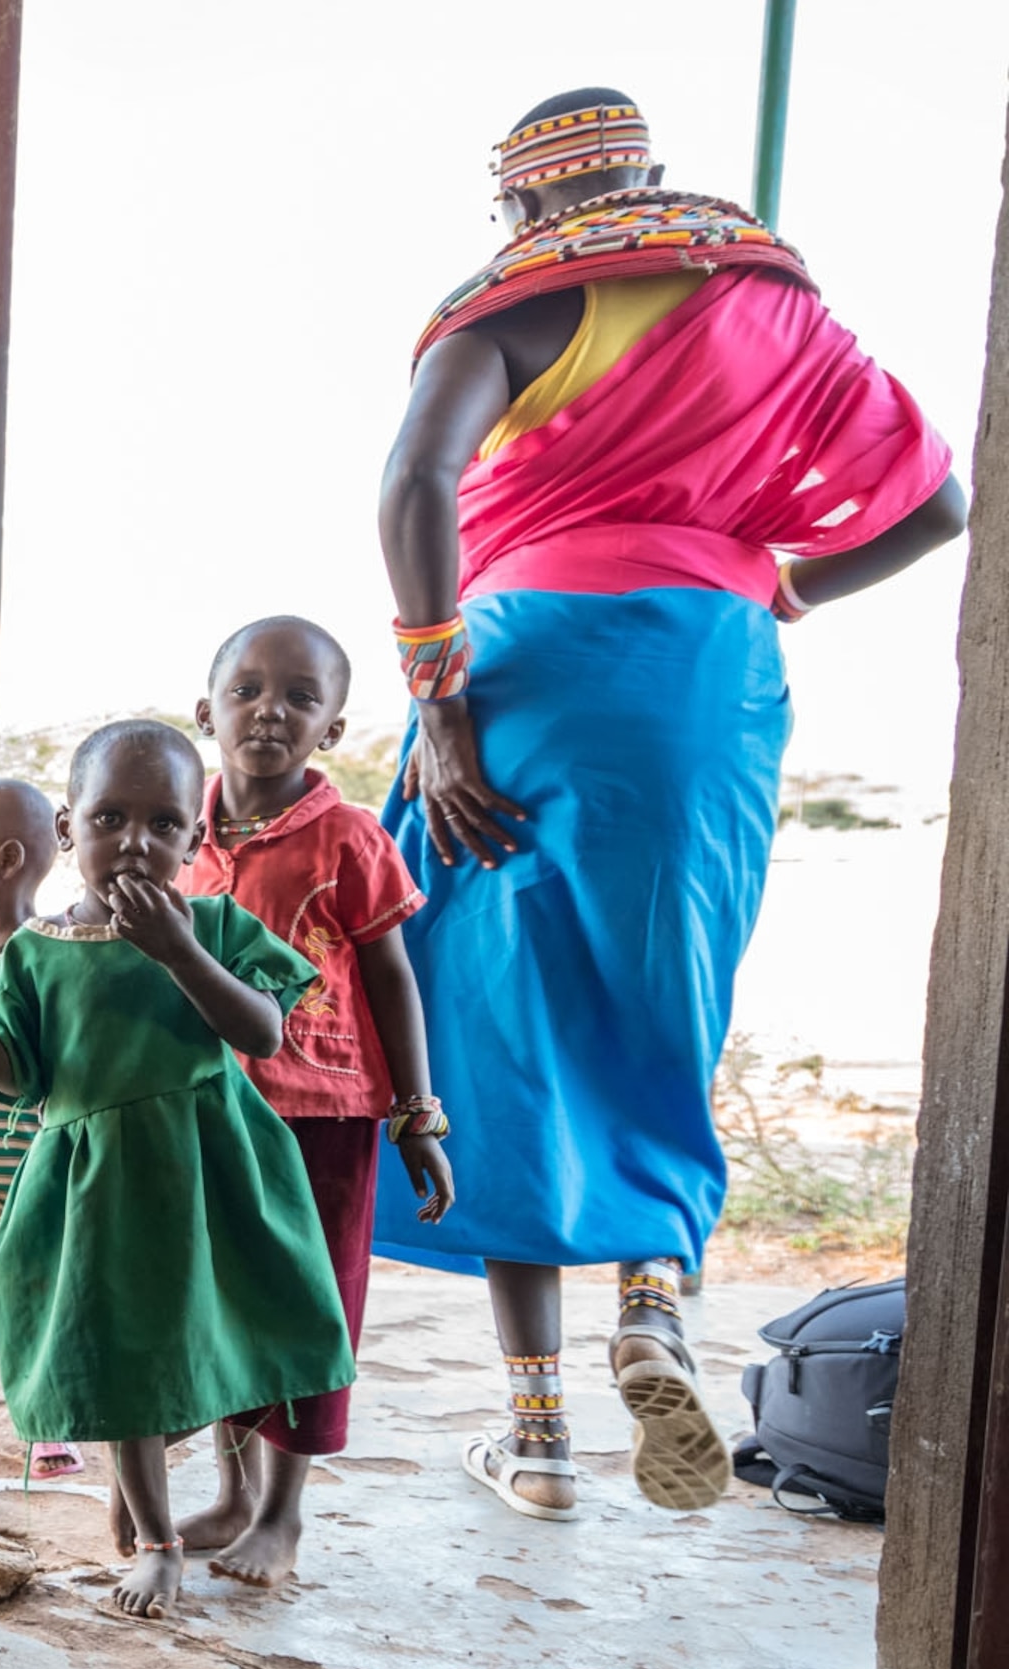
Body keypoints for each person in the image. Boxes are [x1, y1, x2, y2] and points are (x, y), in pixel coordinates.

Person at [375, 91, 963, 1521]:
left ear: (525, 210)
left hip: (526, 671)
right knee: (667, 992)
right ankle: (654, 1297)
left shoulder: (511, 309)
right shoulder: (779, 313)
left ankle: (539, 1441)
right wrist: (784, 586)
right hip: (709, 669)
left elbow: (414, 485)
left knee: (504, 1028)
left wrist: (443, 701)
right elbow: (942, 506)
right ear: (642, 178)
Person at [0, 721, 355, 1620]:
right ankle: (157, 1541)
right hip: (100, 1188)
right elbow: (17, 1067)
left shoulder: (217, 924)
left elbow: (263, 1032)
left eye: (164, 823)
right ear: (69, 832)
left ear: (196, 839)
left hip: (212, 1174)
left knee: (237, 1332)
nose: (136, 842)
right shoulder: (34, 953)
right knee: (120, 1363)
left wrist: (179, 952)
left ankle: (246, 1503)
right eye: (111, 817)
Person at [176, 617, 455, 1584]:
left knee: (310, 1304)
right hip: (209, 1105)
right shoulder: (182, 836)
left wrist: (417, 1116)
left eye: (301, 698)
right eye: (248, 690)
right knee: (223, 1301)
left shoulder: (351, 838)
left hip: (322, 1116)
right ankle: (232, 1494)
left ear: (331, 729)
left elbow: (393, 979)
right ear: (205, 712)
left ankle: (283, 1516)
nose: (270, 711)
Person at [0, 778, 80, 1484]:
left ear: (7, 857)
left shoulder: (49, 952)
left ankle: (49, 1423)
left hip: (31, 1166)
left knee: (42, 1294)